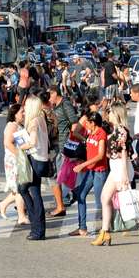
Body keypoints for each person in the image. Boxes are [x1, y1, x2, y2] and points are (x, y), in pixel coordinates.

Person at [92, 103, 137, 246]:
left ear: (117, 114)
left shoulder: (122, 131)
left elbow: (124, 153)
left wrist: (124, 176)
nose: (108, 115)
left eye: (110, 112)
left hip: (121, 168)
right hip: (115, 167)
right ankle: (105, 233)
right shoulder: (115, 130)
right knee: (105, 197)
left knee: (128, 204)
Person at [17, 96, 50, 241]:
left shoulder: (33, 121)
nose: (23, 110)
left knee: (26, 190)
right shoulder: (41, 118)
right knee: (31, 191)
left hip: (35, 160)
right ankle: (37, 229)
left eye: (26, 107)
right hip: (42, 160)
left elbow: (33, 141)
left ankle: (37, 228)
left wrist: (22, 146)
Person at [70, 111, 107, 237]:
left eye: (88, 123)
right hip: (91, 170)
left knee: (101, 201)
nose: (85, 125)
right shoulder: (91, 134)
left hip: (100, 172)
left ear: (93, 123)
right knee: (81, 195)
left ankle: (106, 227)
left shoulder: (101, 134)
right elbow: (90, 151)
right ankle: (82, 228)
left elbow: (100, 155)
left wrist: (82, 165)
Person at [48, 86, 79, 217]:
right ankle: (68, 196)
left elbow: (74, 122)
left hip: (64, 144)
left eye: (50, 95)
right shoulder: (56, 105)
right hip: (58, 144)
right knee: (61, 173)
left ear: (55, 93)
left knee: (62, 174)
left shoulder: (65, 104)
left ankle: (68, 196)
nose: (49, 98)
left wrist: (70, 141)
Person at [0, 104, 29, 224]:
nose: (24, 114)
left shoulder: (18, 125)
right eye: (22, 112)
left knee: (19, 188)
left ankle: (3, 204)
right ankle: (21, 216)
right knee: (20, 187)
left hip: (18, 159)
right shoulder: (12, 126)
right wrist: (20, 156)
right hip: (14, 160)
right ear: (14, 114)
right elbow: (8, 143)